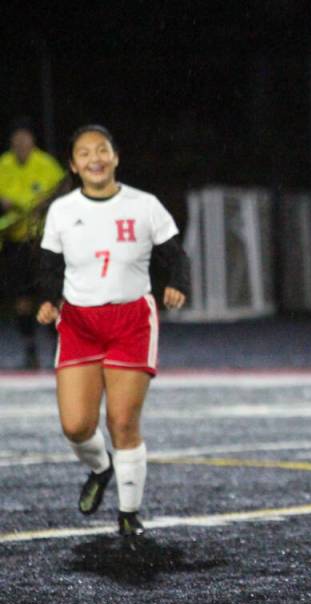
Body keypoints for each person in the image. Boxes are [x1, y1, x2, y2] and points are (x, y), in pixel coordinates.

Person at [35, 125, 190, 537]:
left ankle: (128, 514)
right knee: (76, 426)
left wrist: (177, 284)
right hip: (80, 324)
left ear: (115, 157)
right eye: (84, 153)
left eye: (102, 150)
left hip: (131, 321)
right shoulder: (63, 211)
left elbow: (174, 253)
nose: (95, 158)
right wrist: (48, 300)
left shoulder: (144, 205)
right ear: (73, 164)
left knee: (122, 421)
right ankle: (100, 469)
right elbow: (50, 264)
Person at [0, 118, 66, 368]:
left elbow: (64, 191)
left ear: (32, 142)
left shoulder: (46, 164)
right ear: (11, 143)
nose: (21, 145)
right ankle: (30, 350)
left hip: (42, 242)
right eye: (16, 141)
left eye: (25, 140)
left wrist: (45, 205)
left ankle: (57, 349)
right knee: (21, 299)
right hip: (15, 243)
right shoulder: (4, 164)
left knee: (49, 296)